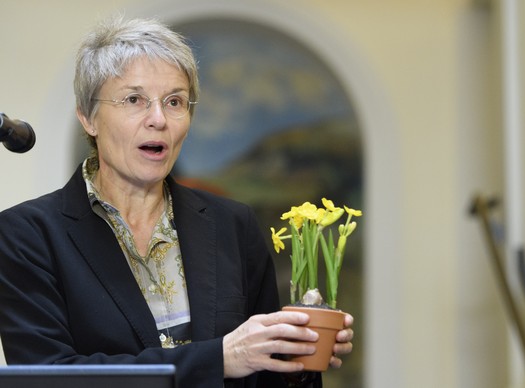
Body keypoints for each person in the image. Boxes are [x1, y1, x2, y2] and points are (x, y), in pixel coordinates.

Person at [0, 16, 353, 388]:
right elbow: (49, 378)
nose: (159, 119)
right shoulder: (27, 235)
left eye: (175, 101)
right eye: (134, 99)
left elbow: (262, 373)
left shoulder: (233, 225)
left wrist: (298, 356)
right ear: (88, 117)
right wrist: (219, 359)